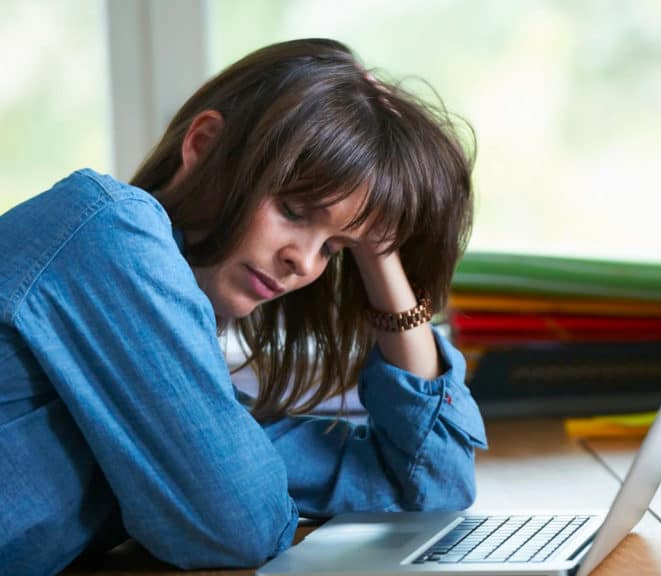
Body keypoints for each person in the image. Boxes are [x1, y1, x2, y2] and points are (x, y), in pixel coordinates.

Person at [0, 38, 486, 574]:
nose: (303, 262)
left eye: (334, 249)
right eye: (294, 210)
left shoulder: (174, 387)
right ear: (205, 144)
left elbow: (431, 486)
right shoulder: (107, 232)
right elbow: (239, 526)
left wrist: (379, 247)